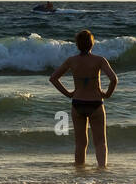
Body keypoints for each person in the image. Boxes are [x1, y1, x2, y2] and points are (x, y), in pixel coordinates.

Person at [49, 29, 118, 166]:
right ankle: (102, 170)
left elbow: (53, 78)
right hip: (96, 103)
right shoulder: (99, 60)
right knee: (100, 142)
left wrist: (68, 94)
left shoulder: (71, 61)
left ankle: (79, 173)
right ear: (92, 44)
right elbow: (114, 79)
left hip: (78, 103)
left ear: (77, 45)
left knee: (80, 143)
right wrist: (107, 94)